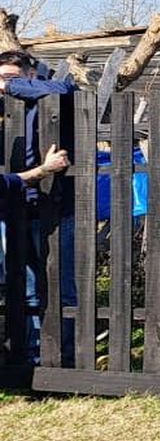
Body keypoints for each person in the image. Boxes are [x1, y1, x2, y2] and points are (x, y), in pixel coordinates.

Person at [0, 50, 78, 364]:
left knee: (61, 285)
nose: (3, 86)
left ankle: (66, 356)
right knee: (26, 283)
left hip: (55, 206)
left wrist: (10, 87)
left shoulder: (50, 95)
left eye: (10, 77)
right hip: (15, 207)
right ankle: (31, 356)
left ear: (32, 74)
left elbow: (65, 89)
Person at [0, 142, 71, 363]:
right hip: (24, 212)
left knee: (56, 291)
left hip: (46, 210)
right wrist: (44, 170)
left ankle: (56, 355)